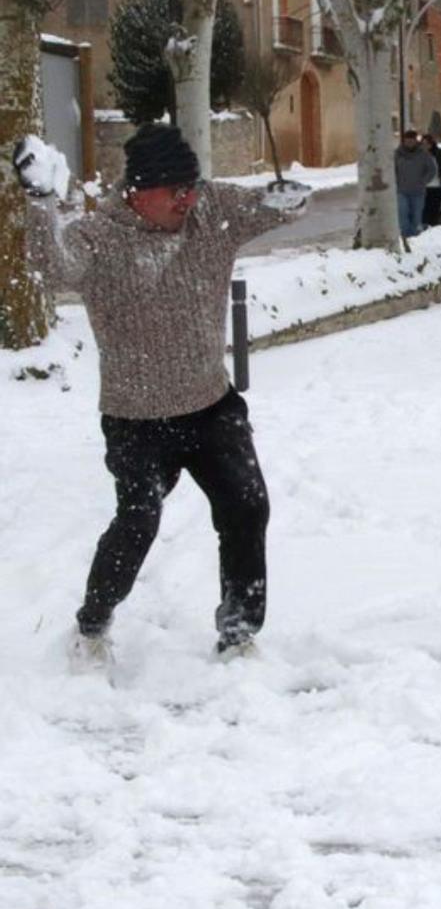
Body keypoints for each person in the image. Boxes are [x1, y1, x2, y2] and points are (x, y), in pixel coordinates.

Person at [13, 123, 309, 660]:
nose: (187, 200)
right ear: (137, 191)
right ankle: (93, 626)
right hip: (137, 417)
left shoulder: (210, 210)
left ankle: (239, 632)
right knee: (138, 521)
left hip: (210, 405)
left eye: (191, 187)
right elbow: (52, 266)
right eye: (176, 191)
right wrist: (40, 202)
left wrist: (287, 197)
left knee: (247, 507)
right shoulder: (98, 237)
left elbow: (274, 208)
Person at [393, 128, 438, 238]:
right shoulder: (397, 154)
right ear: (403, 141)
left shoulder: (423, 154)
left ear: (415, 141)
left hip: (418, 191)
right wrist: (396, 182)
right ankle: (406, 236)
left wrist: (424, 181)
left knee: (416, 216)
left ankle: (415, 238)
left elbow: (432, 170)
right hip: (401, 191)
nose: (409, 143)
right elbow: (391, 170)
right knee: (403, 214)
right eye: (407, 141)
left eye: (412, 141)